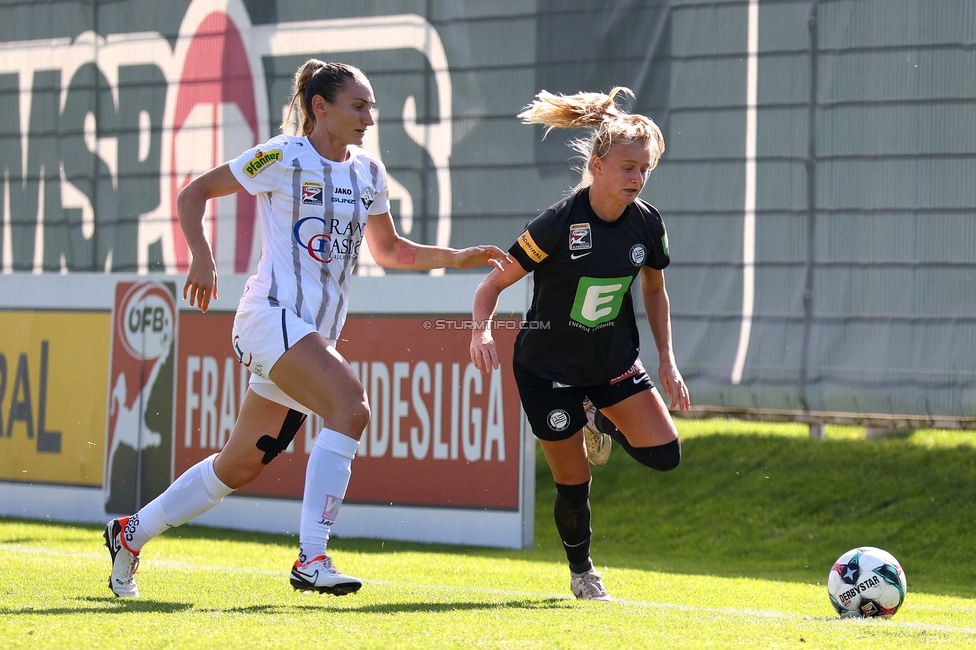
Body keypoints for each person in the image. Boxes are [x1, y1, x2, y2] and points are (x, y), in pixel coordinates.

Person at [103, 60, 510, 598]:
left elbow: (389, 250)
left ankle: (130, 533)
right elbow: (192, 194)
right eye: (358, 105)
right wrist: (200, 256)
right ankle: (311, 558)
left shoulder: (368, 172)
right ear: (320, 107)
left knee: (239, 465)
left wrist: (455, 257)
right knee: (353, 405)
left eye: (371, 107)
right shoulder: (282, 155)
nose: (370, 116)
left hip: (309, 334)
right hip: (267, 317)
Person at [469, 87, 690, 601]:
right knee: (572, 481)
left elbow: (656, 290)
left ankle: (598, 415)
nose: (637, 179)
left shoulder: (648, 223)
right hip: (546, 370)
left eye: (645, 170)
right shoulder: (556, 223)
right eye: (628, 168)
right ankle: (582, 573)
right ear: (597, 165)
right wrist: (481, 329)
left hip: (611, 363)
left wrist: (668, 361)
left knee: (665, 455)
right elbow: (491, 285)